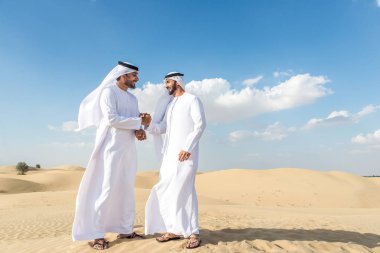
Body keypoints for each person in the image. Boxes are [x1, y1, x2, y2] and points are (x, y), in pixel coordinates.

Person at [72, 61, 151, 250]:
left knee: (126, 187)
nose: (137, 79)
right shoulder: (108, 92)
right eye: (133, 75)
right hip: (111, 147)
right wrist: (138, 120)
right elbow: (111, 119)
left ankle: (125, 229)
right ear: (122, 75)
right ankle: (97, 235)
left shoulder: (132, 99)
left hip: (128, 148)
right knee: (106, 188)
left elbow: (132, 121)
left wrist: (140, 129)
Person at [145, 72, 206, 249]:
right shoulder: (171, 104)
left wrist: (187, 147)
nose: (166, 85)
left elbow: (200, 125)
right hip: (169, 156)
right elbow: (163, 128)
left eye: (168, 82)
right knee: (168, 189)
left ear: (177, 82)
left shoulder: (192, 99)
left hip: (187, 154)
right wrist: (148, 124)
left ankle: (193, 232)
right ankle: (173, 229)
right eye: (165, 82)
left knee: (185, 189)